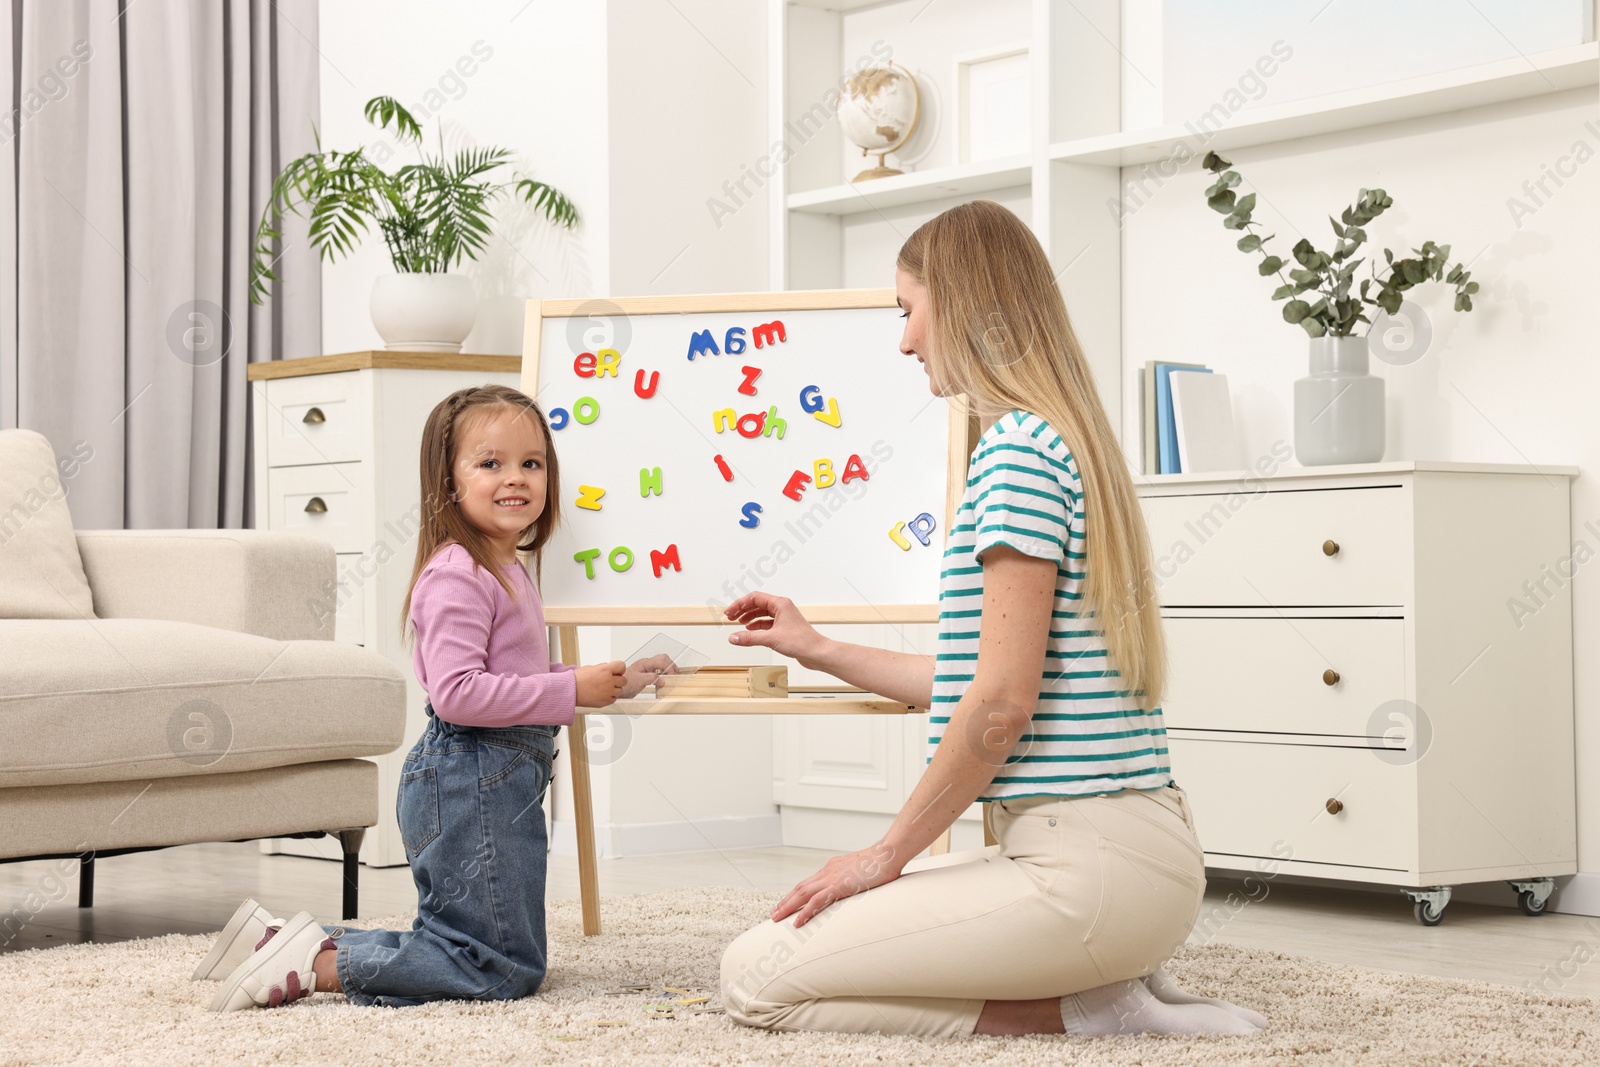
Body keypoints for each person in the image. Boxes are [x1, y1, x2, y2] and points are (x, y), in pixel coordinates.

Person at [718, 201, 1267, 1038]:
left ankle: (1091, 1009)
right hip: (1130, 859)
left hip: (1086, 872)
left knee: (756, 976)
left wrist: (884, 855)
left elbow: (1001, 706)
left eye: (909, 309)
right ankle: (1106, 987)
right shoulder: (1062, 438)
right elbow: (985, 682)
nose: (905, 340)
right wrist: (815, 646)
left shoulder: (1013, 450)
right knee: (804, 949)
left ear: (965, 303)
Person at [198, 384, 668, 1011]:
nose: (516, 479)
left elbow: (515, 674)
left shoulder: (506, 569)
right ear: (447, 482)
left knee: (474, 945)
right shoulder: (458, 574)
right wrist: (568, 688)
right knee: (499, 969)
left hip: (492, 782)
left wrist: (612, 681)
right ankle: (317, 965)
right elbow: (458, 695)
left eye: (532, 463)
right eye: (490, 463)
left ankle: (276, 941)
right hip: (471, 783)